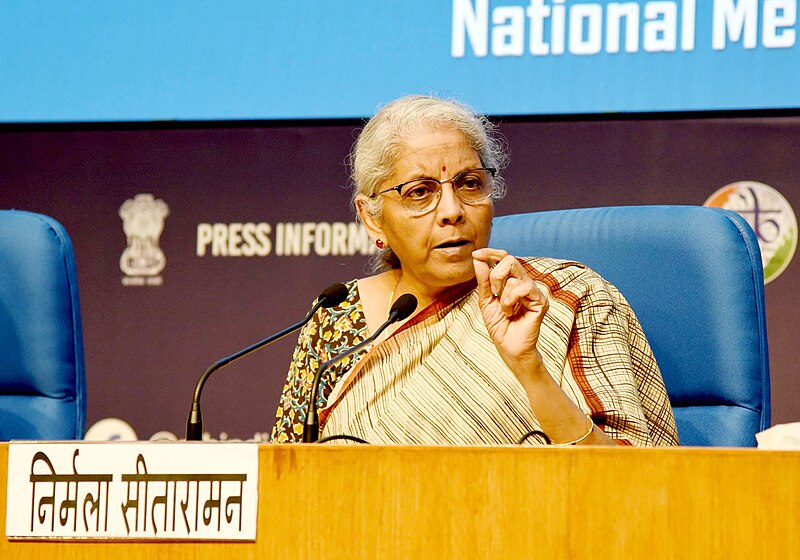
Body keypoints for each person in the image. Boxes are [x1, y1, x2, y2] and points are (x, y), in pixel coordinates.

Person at [270, 95, 679, 446]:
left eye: (469, 183)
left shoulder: (568, 296)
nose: (452, 210)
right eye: (419, 192)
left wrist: (530, 369)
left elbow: (633, 480)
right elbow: (283, 477)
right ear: (372, 218)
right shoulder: (336, 318)